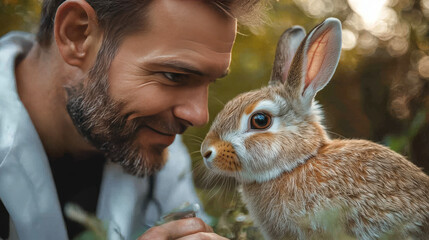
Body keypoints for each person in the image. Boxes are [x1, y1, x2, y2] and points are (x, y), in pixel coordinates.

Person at [0, 0, 263, 239]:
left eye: (210, 82)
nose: (199, 116)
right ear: (77, 35)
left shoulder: (156, 148)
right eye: (174, 76)